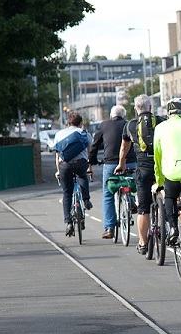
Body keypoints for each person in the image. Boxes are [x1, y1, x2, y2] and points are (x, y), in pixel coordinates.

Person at [116, 94, 164, 255]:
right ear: (150, 108)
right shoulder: (161, 121)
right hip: (161, 168)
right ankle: (170, 227)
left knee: (143, 209)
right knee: (168, 198)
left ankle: (143, 243)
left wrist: (121, 164)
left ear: (136, 109)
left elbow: (124, 147)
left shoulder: (130, 125)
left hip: (143, 169)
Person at [152, 98, 181, 244]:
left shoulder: (160, 128)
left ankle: (173, 227)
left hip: (172, 174)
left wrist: (160, 182)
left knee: (170, 197)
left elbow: (157, 158)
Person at [89, 104, 136, 240]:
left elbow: (95, 145)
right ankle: (131, 200)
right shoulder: (129, 124)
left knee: (108, 194)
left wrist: (92, 160)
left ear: (111, 116)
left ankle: (109, 228)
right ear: (124, 116)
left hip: (110, 163)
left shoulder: (104, 125)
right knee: (131, 184)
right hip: (130, 161)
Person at [54, 112, 94, 236]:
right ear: (80, 123)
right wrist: (90, 168)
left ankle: (68, 222)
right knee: (82, 176)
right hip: (81, 163)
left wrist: (58, 171)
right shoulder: (84, 134)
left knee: (67, 193)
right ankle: (86, 199)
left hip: (64, 165)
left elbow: (57, 156)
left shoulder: (59, 134)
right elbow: (89, 153)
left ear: (68, 123)